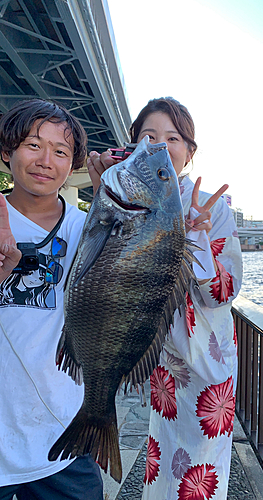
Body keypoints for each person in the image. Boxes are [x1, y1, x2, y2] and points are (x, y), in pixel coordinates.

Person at [88, 97, 243, 500]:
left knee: (200, 475)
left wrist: (198, 233)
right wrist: (102, 194)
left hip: (208, 365)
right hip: (159, 351)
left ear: (189, 152)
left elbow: (221, 292)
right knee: (161, 466)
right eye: (148, 136)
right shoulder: (124, 193)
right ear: (133, 146)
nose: (160, 145)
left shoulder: (214, 207)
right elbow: (101, 268)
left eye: (173, 138)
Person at [0, 99, 104, 500]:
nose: (46, 160)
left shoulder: (92, 229)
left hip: (63, 433)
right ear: (7, 152)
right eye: (32, 145)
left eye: (60, 151)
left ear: (73, 164)